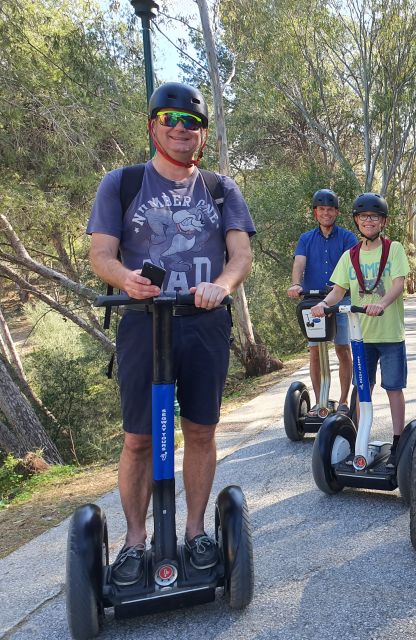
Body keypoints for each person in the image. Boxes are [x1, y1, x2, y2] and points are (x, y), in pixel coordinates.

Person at [87, 82, 256, 585]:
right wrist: (125, 280)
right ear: (153, 125)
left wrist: (221, 287)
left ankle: (197, 531)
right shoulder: (122, 183)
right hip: (144, 324)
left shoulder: (222, 189)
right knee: (138, 439)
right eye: (171, 119)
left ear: (202, 136)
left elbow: (240, 255)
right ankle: (136, 541)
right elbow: (101, 255)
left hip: (203, 324)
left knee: (201, 431)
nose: (182, 129)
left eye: (192, 123)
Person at [309, 193, 409, 464]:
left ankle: (399, 441)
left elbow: (398, 284)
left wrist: (383, 303)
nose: (368, 221)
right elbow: (338, 291)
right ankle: (359, 438)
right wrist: (322, 305)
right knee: (362, 389)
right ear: (356, 220)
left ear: (382, 221)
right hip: (361, 337)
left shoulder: (393, 249)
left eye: (374, 217)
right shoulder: (349, 256)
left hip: (389, 335)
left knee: (393, 388)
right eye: (364, 217)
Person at [287, 189, 358, 415]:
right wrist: (296, 284)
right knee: (315, 351)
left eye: (330, 209)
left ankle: (344, 400)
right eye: (321, 209)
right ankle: (320, 403)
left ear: (336, 212)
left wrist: (341, 286)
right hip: (313, 303)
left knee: (342, 349)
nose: (326, 213)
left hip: (341, 301)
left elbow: (351, 267)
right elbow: (299, 264)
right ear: (315, 213)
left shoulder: (348, 238)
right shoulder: (306, 239)